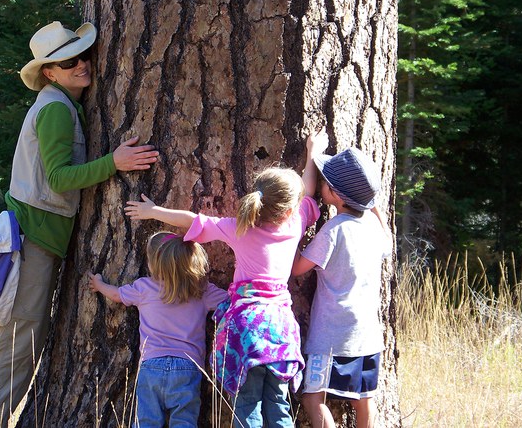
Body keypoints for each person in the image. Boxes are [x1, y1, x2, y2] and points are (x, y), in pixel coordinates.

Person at [0, 21, 159, 428]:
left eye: (83, 55)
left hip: (38, 239)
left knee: (22, 337)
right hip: (33, 241)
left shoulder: (61, 103)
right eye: (68, 61)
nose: (81, 64)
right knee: (21, 339)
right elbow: (57, 178)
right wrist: (115, 163)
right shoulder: (55, 107)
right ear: (50, 73)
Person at [124, 134, 326, 428]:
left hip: (247, 330)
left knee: (248, 403)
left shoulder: (240, 228)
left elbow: (195, 221)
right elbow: (308, 193)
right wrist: (312, 153)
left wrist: (153, 212)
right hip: (280, 329)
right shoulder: (296, 222)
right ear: (288, 208)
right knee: (279, 402)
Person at [290, 138, 392, 428]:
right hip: (368, 335)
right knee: (364, 400)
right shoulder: (373, 228)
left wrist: (292, 236)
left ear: (333, 194)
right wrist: (375, 208)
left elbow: (298, 268)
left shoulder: (333, 231)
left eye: (325, 182)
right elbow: (389, 244)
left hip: (331, 338)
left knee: (313, 398)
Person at [89, 231, 228, 427]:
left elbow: (116, 295)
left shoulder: (144, 288)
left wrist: (99, 284)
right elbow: (230, 300)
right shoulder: (201, 290)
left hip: (151, 365)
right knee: (184, 421)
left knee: (147, 421)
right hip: (188, 367)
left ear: (153, 264)